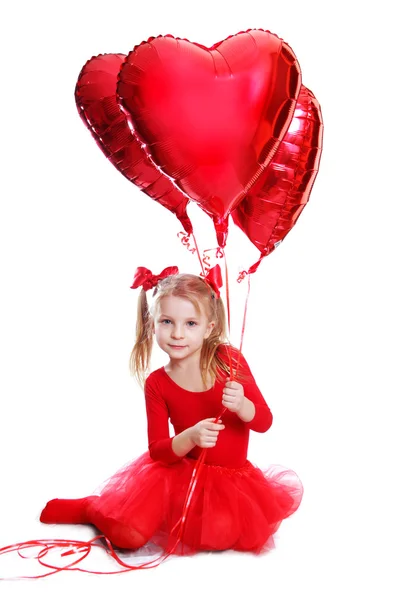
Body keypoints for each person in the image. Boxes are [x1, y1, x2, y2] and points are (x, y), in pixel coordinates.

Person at [39, 265, 304, 555]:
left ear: (209, 328)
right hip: (175, 473)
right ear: (153, 323)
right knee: (129, 536)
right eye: (167, 321)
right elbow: (158, 451)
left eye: (191, 323)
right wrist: (190, 436)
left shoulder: (229, 361)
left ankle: (163, 516)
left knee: (220, 535)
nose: (177, 334)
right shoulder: (158, 383)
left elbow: (264, 422)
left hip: (229, 481)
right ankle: (93, 507)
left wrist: (242, 405)